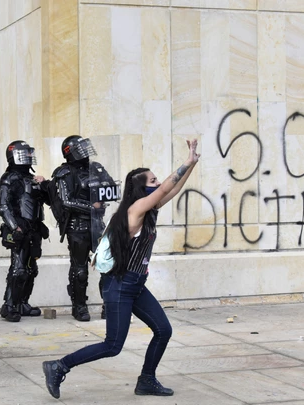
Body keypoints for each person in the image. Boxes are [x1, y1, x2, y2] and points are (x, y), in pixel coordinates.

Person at [42, 139, 200, 398]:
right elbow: (167, 188)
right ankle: (59, 366)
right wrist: (186, 161)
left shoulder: (150, 209)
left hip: (135, 284)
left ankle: (147, 380)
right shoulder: (135, 210)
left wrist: (191, 163)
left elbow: (172, 189)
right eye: (153, 181)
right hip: (119, 285)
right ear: (140, 189)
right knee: (113, 345)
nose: (158, 184)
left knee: (163, 331)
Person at [51, 135, 118, 322]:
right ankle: (79, 307)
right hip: (77, 226)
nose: (85, 151)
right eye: (80, 148)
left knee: (108, 265)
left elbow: (111, 187)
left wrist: (104, 195)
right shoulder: (63, 173)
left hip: (98, 225)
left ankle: (109, 305)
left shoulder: (96, 168)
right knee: (80, 270)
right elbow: (66, 201)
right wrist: (91, 207)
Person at [0, 141, 50, 322]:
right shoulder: (8, 178)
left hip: (34, 228)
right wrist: (14, 227)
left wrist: (44, 185)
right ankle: (9, 305)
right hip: (19, 228)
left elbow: (47, 200)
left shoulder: (31, 178)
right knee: (18, 269)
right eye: (24, 154)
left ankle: (23, 303)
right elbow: (3, 207)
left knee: (31, 269)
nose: (28, 157)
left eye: (29, 154)